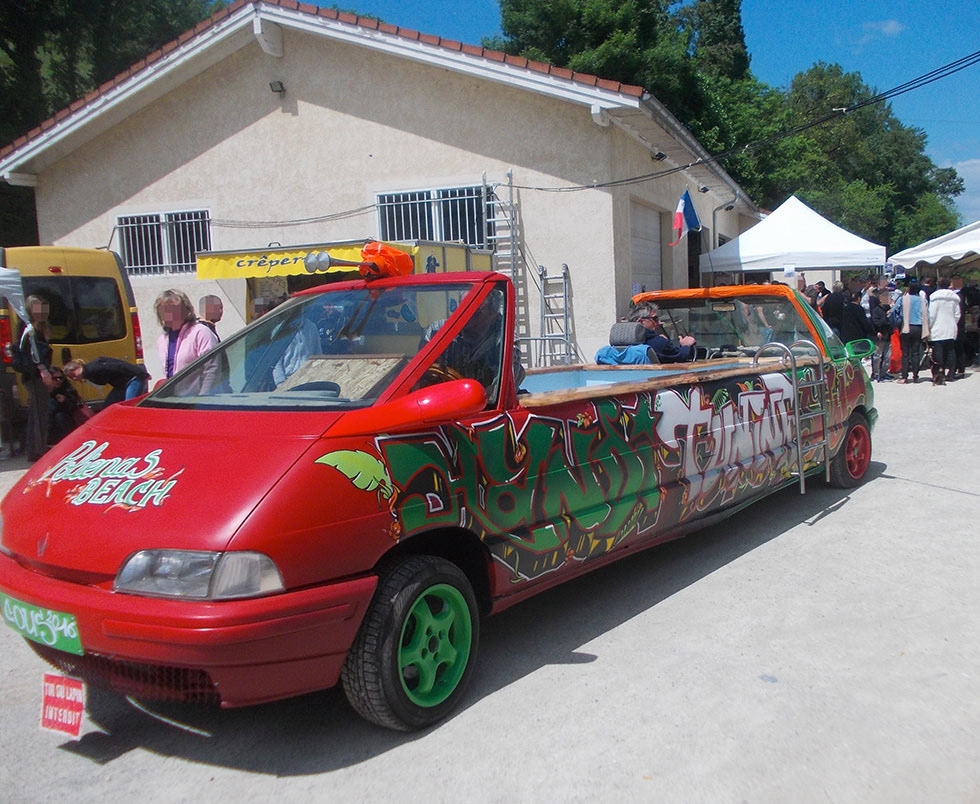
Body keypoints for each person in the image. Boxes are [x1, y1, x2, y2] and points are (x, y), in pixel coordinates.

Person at [154, 289, 219, 394]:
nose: (169, 314)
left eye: (174, 309)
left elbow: (212, 370)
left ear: (186, 310)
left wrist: (202, 400)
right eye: (165, 310)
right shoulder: (162, 339)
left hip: (196, 401)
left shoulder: (200, 332)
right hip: (173, 402)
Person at [19, 294, 59, 460]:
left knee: (39, 413)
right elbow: (34, 358)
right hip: (35, 377)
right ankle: (37, 451)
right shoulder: (30, 331)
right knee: (39, 414)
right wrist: (44, 372)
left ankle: (36, 449)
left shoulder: (38, 330)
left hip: (37, 376)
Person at [64, 357, 150, 406]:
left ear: (77, 368)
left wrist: (141, 373)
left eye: (73, 375)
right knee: (108, 405)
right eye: (72, 378)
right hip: (121, 385)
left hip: (133, 379)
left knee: (130, 405)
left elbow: (119, 366)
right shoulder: (88, 374)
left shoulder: (94, 368)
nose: (74, 378)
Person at [927, 276, 961, 385]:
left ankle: (939, 373)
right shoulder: (954, 298)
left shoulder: (935, 297)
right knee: (951, 351)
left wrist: (929, 326)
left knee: (938, 353)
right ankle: (951, 373)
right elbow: (957, 314)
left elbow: (932, 315)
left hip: (938, 328)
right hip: (950, 327)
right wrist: (953, 323)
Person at [898, 280, 930, 384]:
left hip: (906, 327)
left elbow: (895, 310)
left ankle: (904, 376)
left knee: (905, 353)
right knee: (916, 353)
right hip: (918, 327)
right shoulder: (923, 301)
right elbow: (927, 315)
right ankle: (916, 376)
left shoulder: (903, 299)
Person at [868, 290, 894, 381]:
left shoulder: (889, 309)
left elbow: (893, 321)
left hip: (888, 335)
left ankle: (883, 373)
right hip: (879, 335)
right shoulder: (876, 310)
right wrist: (886, 317)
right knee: (876, 356)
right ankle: (875, 373)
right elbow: (876, 323)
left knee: (887, 356)